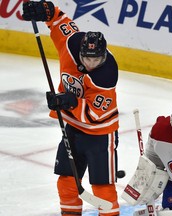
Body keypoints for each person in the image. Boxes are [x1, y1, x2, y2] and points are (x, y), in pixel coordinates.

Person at [22, 1, 120, 216]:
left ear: (104, 55)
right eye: (87, 58)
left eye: (97, 59)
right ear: (80, 52)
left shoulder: (106, 75)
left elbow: (95, 115)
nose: (92, 63)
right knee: (66, 179)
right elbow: (59, 21)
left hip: (101, 133)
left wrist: (69, 102)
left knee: (102, 186)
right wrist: (47, 9)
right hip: (73, 129)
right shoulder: (70, 43)